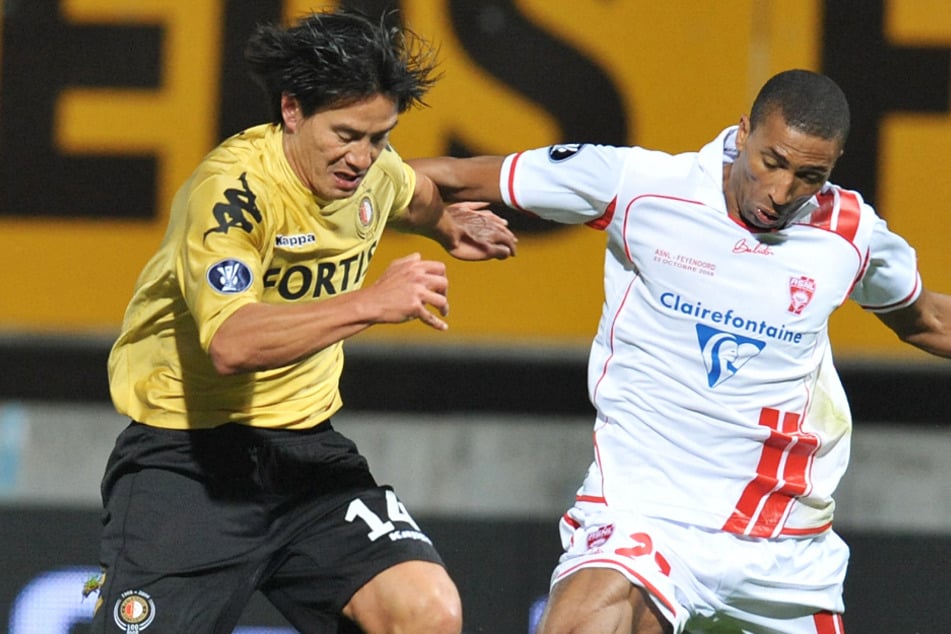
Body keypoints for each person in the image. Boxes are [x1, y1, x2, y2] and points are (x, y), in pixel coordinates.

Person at [411, 69, 951, 633]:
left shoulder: (850, 232)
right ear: (743, 134)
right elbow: (438, 177)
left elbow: (927, 320)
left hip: (783, 547)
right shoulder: (640, 185)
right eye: (772, 162)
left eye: (809, 176)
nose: (782, 191)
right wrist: (427, 222)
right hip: (643, 513)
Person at [87, 8, 516, 634]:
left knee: (427, 610)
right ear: (292, 110)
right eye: (345, 134)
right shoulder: (231, 194)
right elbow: (231, 344)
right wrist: (369, 302)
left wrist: (450, 225)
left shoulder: (373, 173)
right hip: (189, 460)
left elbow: (412, 190)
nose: (361, 157)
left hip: (307, 458)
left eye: (379, 137)